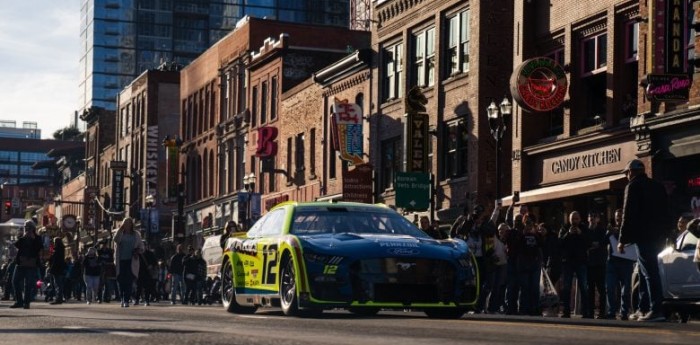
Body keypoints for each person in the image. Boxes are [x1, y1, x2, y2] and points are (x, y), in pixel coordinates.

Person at [618, 159, 669, 322]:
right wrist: (667, 234)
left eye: (627, 173)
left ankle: (656, 309)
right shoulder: (657, 186)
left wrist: (622, 240)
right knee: (643, 271)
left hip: (643, 236)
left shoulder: (632, 186)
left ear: (631, 172)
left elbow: (628, 214)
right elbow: (668, 210)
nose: (627, 176)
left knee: (649, 272)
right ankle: (643, 307)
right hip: (658, 237)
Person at [605, 209, 636, 320]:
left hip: (626, 263)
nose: (618, 218)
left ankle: (624, 312)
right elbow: (603, 242)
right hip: (612, 262)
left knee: (625, 289)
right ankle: (611, 311)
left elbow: (632, 242)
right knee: (610, 288)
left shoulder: (629, 229)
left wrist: (617, 233)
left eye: (620, 216)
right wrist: (609, 233)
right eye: (617, 216)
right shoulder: (610, 230)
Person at [559, 211, 591, 318]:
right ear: (569, 219)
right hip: (568, 262)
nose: (574, 221)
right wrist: (568, 233)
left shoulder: (584, 229)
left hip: (581, 261)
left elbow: (589, 243)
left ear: (580, 219)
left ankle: (585, 311)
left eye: (576, 219)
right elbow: (559, 243)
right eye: (573, 219)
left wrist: (580, 234)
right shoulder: (564, 228)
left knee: (584, 287)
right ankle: (566, 311)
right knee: (566, 287)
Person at [11, 220, 44, 309]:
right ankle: (19, 301)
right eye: (26, 227)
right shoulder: (23, 237)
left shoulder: (37, 238)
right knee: (15, 281)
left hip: (31, 264)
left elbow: (40, 247)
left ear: (33, 228)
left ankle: (26, 303)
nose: (27, 229)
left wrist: (33, 239)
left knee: (28, 284)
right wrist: (22, 237)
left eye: (28, 227)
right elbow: (16, 245)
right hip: (20, 263)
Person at [113, 217, 144, 308]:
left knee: (129, 281)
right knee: (121, 281)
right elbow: (115, 240)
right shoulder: (120, 234)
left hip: (131, 261)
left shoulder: (136, 234)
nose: (127, 225)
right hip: (121, 260)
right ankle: (122, 298)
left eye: (129, 223)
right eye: (125, 223)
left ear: (132, 225)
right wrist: (120, 229)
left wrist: (138, 250)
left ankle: (126, 300)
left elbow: (141, 246)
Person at [585, 212, 607, 319]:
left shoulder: (602, 230)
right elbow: (584, 243)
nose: (592, 218)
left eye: (595, 216)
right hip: (589, 264)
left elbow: (603, 243)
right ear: (588, 218)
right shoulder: (585, 231)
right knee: (590, 289)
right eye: (591, 216)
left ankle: (602, 312)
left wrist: (594, 245)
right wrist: (592, 245)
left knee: (601, 289)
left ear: (598, 219)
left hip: (600, 263)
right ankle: (590, 312)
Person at [48, 237, 67, 305]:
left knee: (57, 284)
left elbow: (55, 261)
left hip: (56, 269)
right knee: (59, 284)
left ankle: (59, 298)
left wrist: (51, 269)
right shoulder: (61, 250)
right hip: (60, 269)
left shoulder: (57, 250)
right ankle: (60, 298)